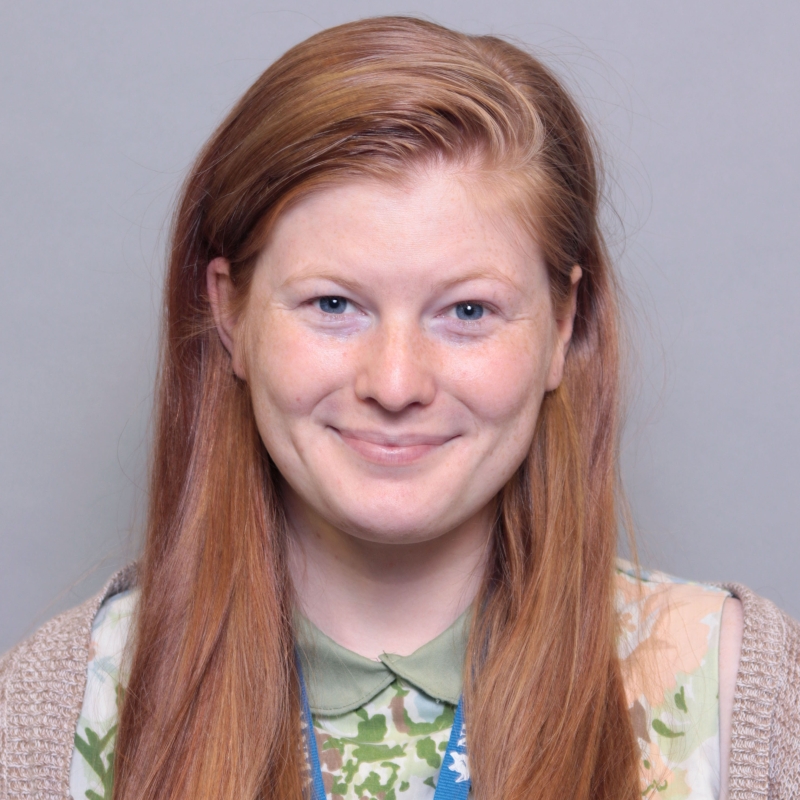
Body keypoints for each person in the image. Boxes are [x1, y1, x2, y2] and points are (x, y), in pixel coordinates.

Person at [1, 15, 798, 800]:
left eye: (468, 312)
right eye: (334, 304)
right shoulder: (62, 713)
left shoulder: (736, 702)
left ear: (562, 328)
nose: (394, 382)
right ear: (229, 315)